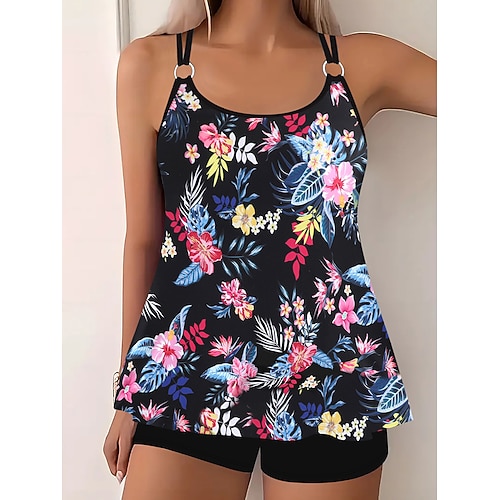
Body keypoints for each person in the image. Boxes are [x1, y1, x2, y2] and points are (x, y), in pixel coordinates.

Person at [103, 1, 437, 499]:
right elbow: (145, 241)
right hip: (185, 372)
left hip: (332, 372)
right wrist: (128, 391)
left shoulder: (358, 64)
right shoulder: (154, 66)